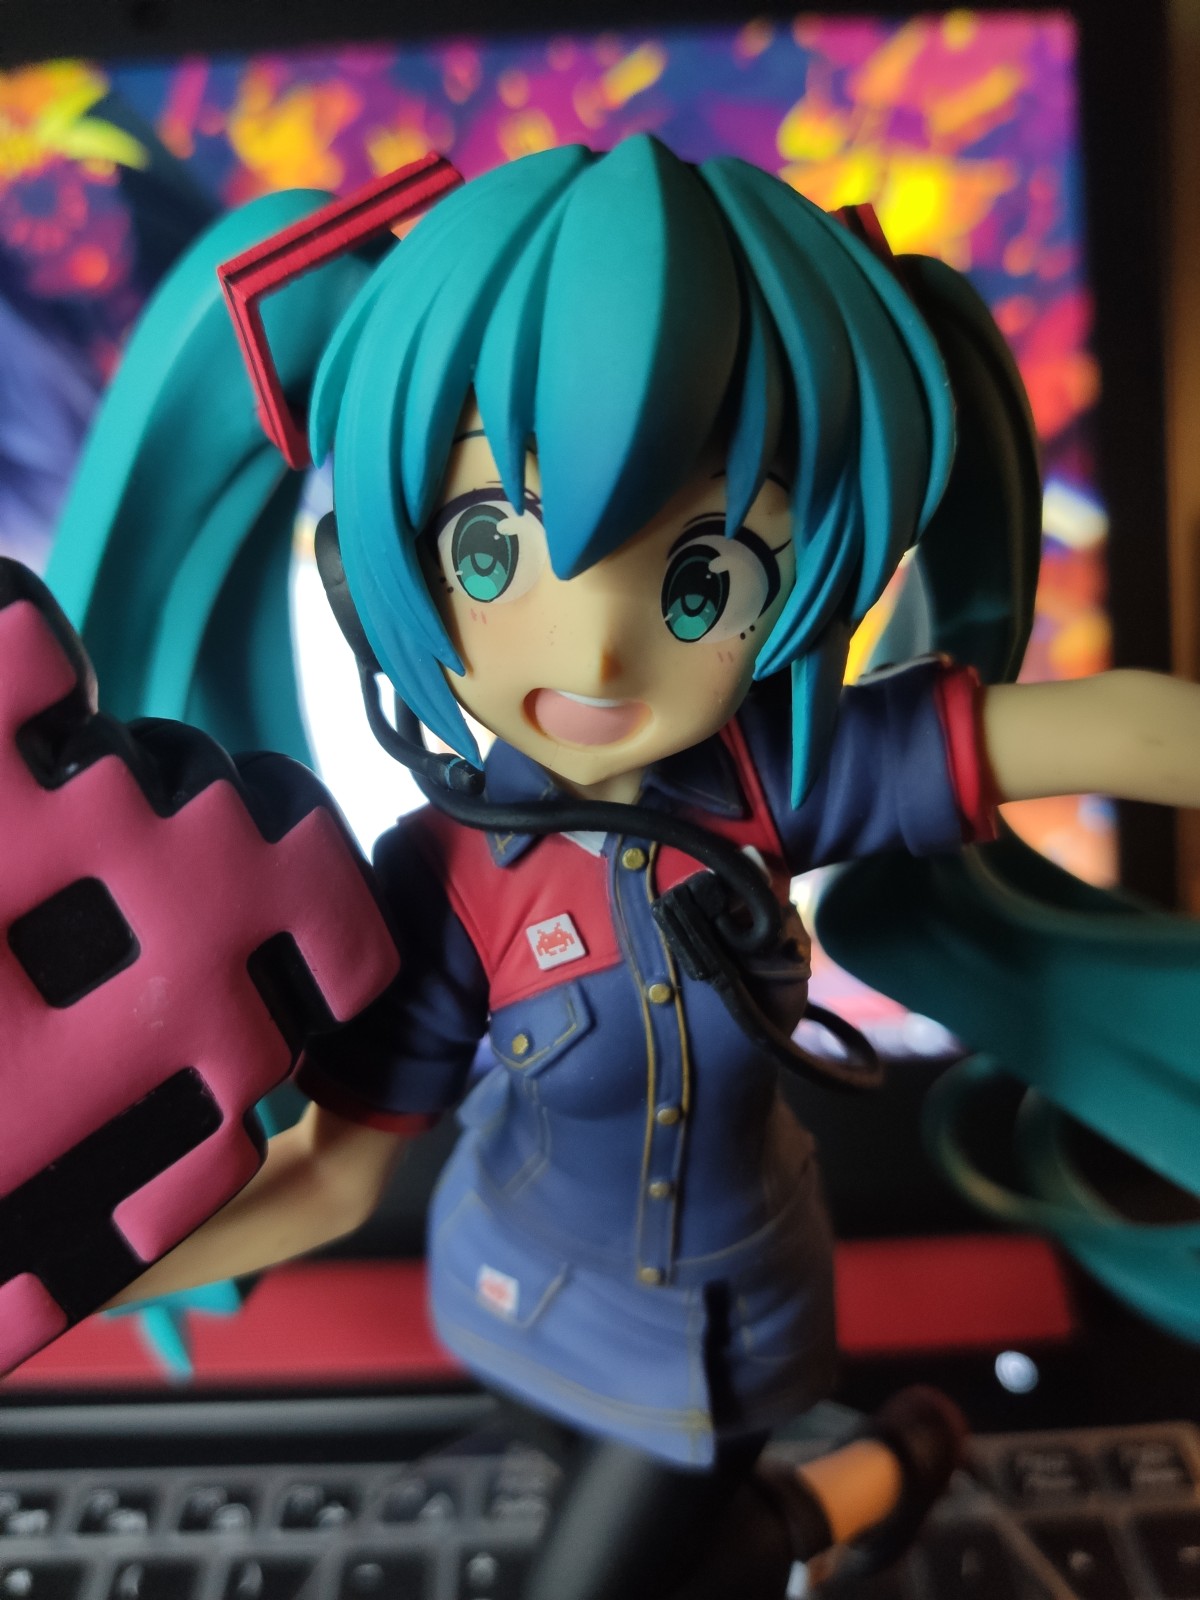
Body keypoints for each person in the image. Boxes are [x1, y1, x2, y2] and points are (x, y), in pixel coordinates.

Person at [48, 136, 1200, 1596]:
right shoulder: (443, 883)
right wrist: (71, 1276)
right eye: (490, 545)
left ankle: (874, 1477)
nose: (595, 652)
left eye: (706, 578)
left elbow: (1104, 728)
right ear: (370, 567)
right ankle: (888, 1473)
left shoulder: (776, 782)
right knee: (695, 1554)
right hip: (513, 1298)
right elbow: (334, 1181)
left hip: (718, 1333)